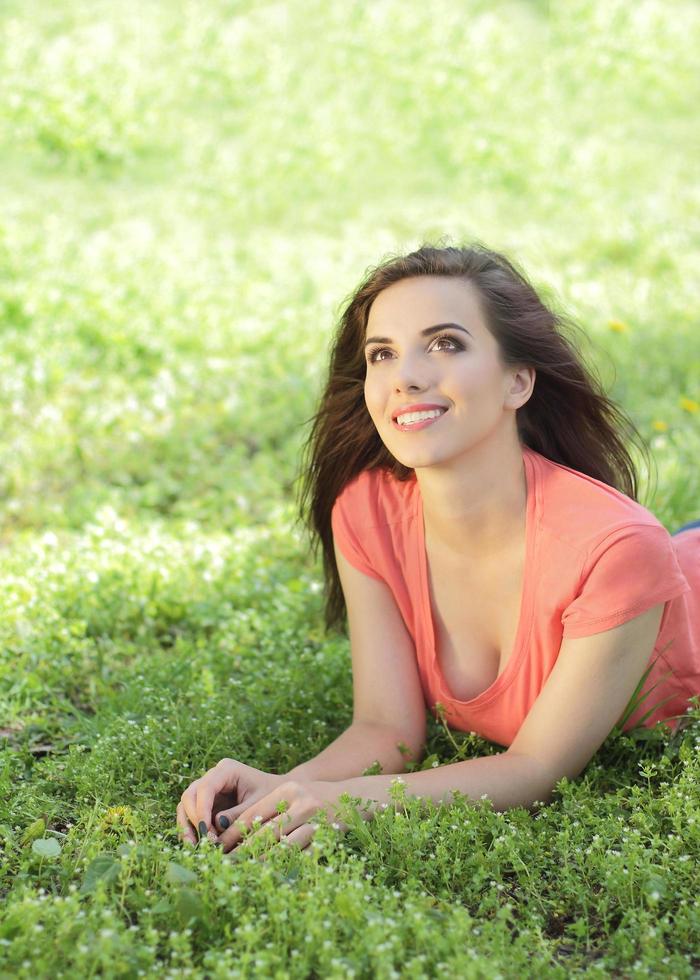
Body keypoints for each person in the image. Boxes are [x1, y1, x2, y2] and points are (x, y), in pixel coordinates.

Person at [177, 243, 700, 855]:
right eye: (383, 354)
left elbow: (536, 769)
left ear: (517, 380)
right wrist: (281, 792)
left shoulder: (617, 550)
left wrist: (349, 803)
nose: (407, 376)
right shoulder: (366, 510)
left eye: (446, 343)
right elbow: (387, 728)